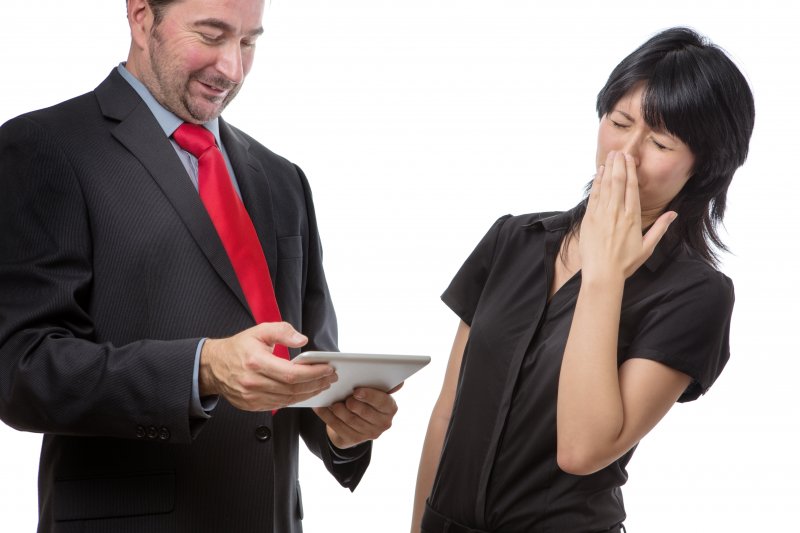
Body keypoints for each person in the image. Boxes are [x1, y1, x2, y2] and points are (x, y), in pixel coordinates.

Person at [0, 1, 399, 532]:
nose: (232, 68)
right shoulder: (45, 147)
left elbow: (307, 358)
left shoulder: (282, 179)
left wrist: (344, 431)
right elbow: (20, 370)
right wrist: (202, 369)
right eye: (211, 35)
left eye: (249, 42)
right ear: (142, 17)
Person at [411, 27, 754, 533]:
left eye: (660, 142)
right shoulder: (514, 239)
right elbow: (448, 414)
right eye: (620, 122)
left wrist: (603, 275)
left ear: (703, 169)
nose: (627, 153)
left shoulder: (697, 295)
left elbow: (582, 448)